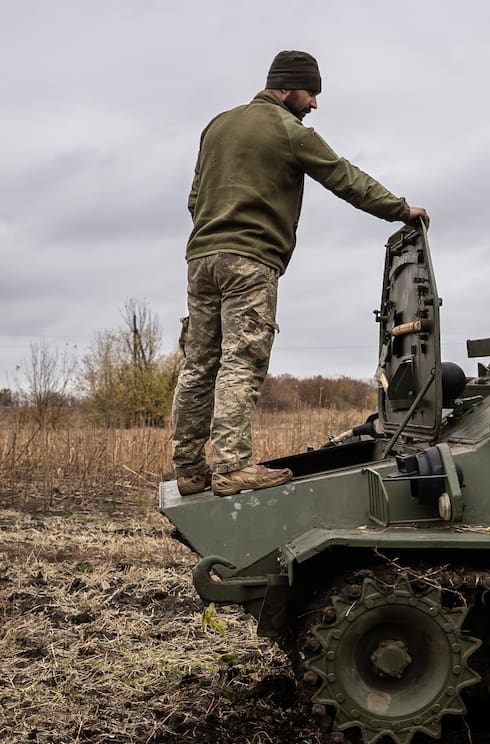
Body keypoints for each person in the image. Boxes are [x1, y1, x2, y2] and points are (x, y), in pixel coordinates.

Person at [172, 50, 429, 497]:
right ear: (287, 87)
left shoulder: (216, 125)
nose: (314, 104)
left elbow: (195, 196)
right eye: (311, 93)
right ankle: (231, 467)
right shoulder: (289, 131)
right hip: (250, 261)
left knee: (198, 364)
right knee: (242, 359)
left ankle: (190, 469)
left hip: (201, 259)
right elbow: (344, 178)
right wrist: (400, 209)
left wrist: (215, 232)